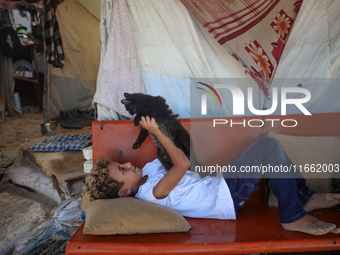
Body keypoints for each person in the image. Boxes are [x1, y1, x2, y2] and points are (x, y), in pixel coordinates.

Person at [84, 116, 340, 236]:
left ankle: (305, 198)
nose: (129, 163)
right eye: (123, 169)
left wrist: (158, 126)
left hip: (221, 182)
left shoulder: (149, 171)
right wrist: (156, 131)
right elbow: (181, 164)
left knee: (267, 145)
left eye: (123, 163)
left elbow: (176, 154)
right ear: (124, 192)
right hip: (228, 197)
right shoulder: (154, 193)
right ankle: (292, 216)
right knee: (268, 147)